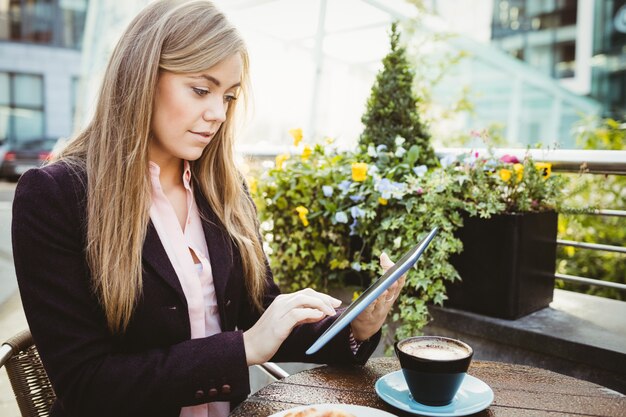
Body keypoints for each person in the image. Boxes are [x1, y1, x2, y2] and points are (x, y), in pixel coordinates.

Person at [11, 1, 405, 417]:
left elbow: (261, 309)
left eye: (229, 97)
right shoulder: (55, 197)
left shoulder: (224, 189)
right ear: (141, 78)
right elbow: (86, 384)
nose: (217, 114)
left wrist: (354, 328)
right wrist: (244, 347)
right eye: (201, 90)